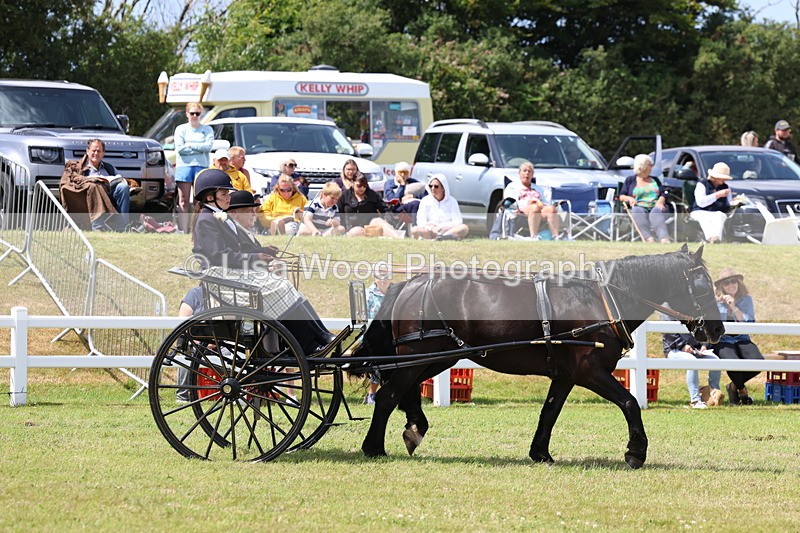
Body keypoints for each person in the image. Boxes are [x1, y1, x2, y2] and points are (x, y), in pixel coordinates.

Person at [190, 169, 334, 355]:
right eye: (224, 194)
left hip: (230, 273)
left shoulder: (219, 216)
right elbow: (219, 256)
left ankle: (321, 334)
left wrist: (262, 251)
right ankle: (309, 344)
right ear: (210, 197)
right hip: (221, 276)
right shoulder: (207, 219)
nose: (228, 197)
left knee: (284, 285)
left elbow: (237, 250)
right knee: (280, 286)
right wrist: (255, 258)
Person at [712, 268, 764, 406]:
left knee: (758, 362)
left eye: (733, 281)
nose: (731, 285)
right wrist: (719, 302)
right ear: (721, 286)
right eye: (726, 283)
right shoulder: (715, 302)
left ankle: (733, 386)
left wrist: (734, 307)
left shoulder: (746, 299)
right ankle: (742, 390)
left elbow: (750, 323)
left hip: (742, 338)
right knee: (732, 361)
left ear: (738, 283)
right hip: (723, 340)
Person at [59, 138, 131, 231]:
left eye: (99, 151)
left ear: (103, 153)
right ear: (87, 151)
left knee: (123, 187)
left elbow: (119, 179)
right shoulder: (80, 168)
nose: (96, 153)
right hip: (89, 197)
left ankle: (122, 227)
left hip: (109, 193)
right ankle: (98, 227)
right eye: (93, 151)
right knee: (95, 186)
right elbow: (75, 184)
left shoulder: (109, 167)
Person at [662, 313, 724, 409]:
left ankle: (713, 391)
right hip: (674, 349)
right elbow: (668, 333)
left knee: (715, 360)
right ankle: (695, 400)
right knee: (692, 361)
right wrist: (682, 346)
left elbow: (701, 329)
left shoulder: (689, 308)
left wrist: (704, 345)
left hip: (696, 349)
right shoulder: (667, 311)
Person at [174, 102, 214, 232]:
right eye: (192, 113)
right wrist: (199, 148)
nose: (195, 116)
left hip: (201, 167)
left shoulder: (207, 129)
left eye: (197, 113)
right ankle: (184, 230)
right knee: (183, 201)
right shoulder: (181, 129)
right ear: (187, 114)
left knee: (199, 201)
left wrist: (190, 145)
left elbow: (208, 147)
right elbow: (180, 149)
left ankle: (197, 230)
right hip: (184, 167)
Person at [618, 153, 671, 243]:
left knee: (656, 212)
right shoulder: (630, 180)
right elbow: (621, 196)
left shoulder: (655, 180)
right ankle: (648, 238)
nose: (652, 167)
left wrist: (660, 201)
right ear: (642, 166)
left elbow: (663, 193)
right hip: (639, 206)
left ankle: (664, 238)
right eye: (649, 164)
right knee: (637, 211)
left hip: (655, 206)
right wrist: (629, 198)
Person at [337, 173, 403, 237]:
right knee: (356, 232)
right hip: (353, 227)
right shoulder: (344, 196)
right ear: (352, 183)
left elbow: (385, 209)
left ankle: (398, 239)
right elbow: (339, 213)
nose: (362, 188)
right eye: (359, 186)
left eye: (364, 186)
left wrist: (387, 218)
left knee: (381, 222)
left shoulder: (372, 194)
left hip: (371, 224)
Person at [411, 174, 469, 240]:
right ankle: (438, 239)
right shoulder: (425, 200)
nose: (433, 188)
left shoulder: (452, 201)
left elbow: (458, 221)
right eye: (430, 186)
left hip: (447, 231)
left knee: (464, 228)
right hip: (430, 232)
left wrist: (442, 227)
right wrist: (431, 228)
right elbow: (420, 221)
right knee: (414, 230)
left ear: (443, 188)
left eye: (436, 186)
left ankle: (442, 238)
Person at [363, 271, 391, 405]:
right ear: (375, 278)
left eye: (386, 277)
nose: (383, 280)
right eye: (380, 277)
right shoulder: (369, 295)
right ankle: (371, 394)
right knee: (379, 362)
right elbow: (363, 317)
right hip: (373, 336)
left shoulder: (394, 294)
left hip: (390, 335)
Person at [512, 161, 560, 240]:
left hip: (539, 209)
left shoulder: (538, 188)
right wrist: (528, 203)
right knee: (535, 207)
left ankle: (555, 236)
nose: (527, 173)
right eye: (524, 171)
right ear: (519, 173)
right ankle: (534, 236)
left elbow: (546, 202)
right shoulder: (513, 187)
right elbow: (511, 202)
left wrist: (542, 204)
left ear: (532, 175)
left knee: (551, 209)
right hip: (522, 211)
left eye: (529, 171)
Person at [689, 161, 733, 243]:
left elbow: (729, 202)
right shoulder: (702, 184)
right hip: (700, 211)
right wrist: (717, 195)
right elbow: (701, 203)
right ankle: (710, 238)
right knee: (705, 217)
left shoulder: (726, 187)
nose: (725, 180)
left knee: (719, 215)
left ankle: (716, 238)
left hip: (717, 211)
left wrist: (736, 202)